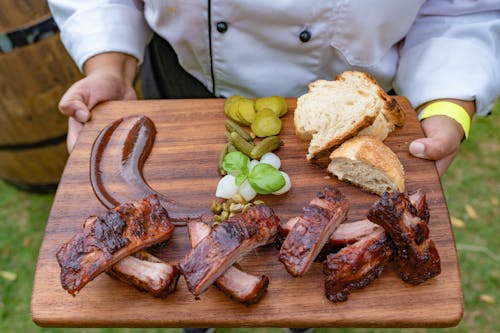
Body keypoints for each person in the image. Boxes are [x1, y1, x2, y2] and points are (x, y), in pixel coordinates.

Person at [46, 0, 499, 331]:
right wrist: (108, 66)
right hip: (186, 81)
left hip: (351, 109)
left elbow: (462, 12)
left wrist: (449, 108)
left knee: (300, 299)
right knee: (198, 304)